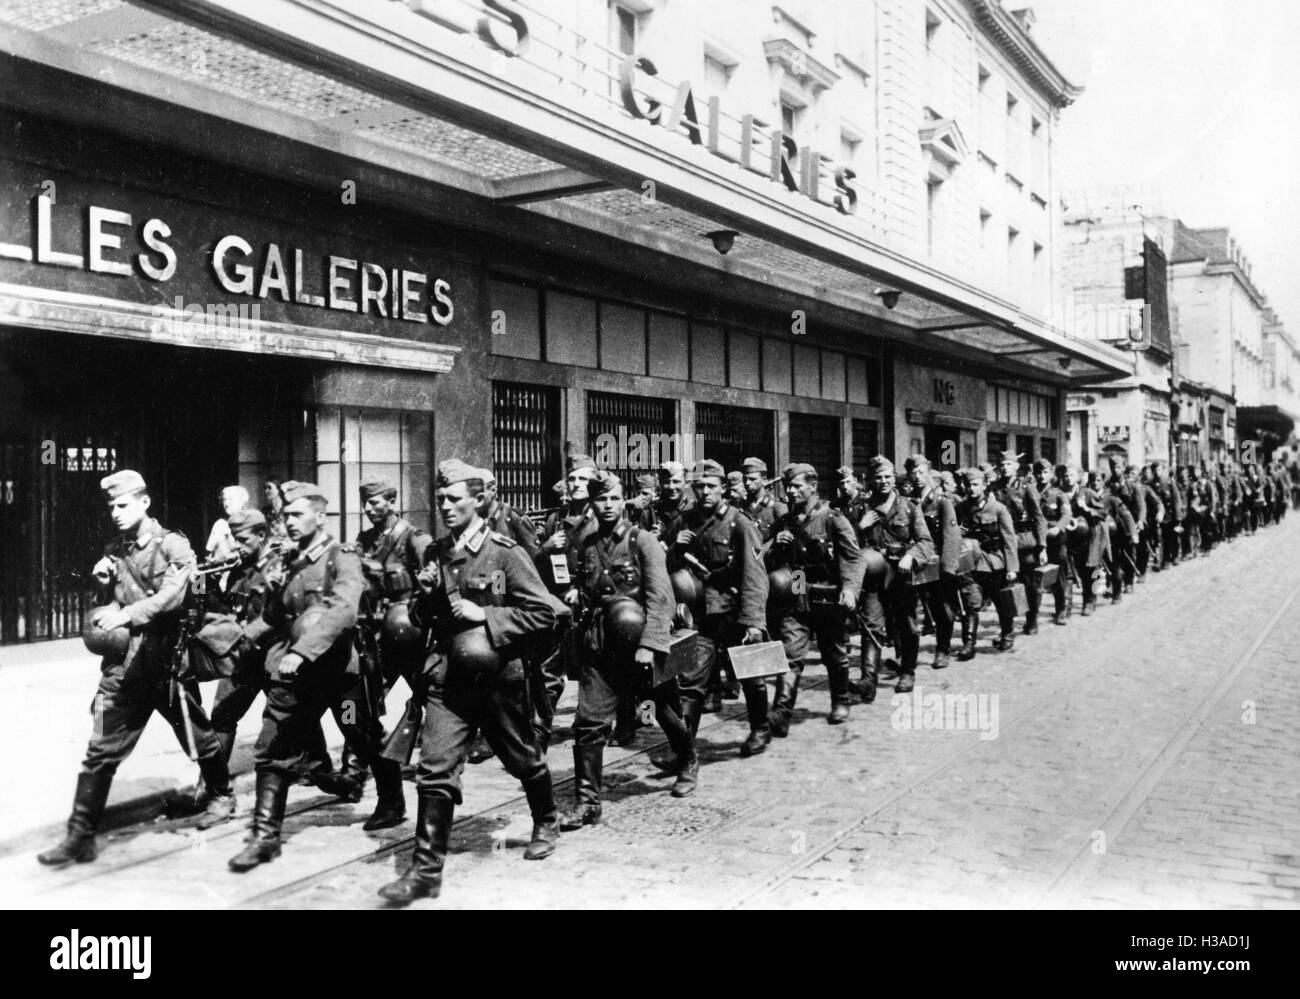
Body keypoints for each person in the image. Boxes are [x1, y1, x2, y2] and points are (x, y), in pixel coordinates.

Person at [377, 460, 559, 904]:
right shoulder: (436, 553)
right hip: (448, 679)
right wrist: (423, 598)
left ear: (479, 500)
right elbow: (426, 619)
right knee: (434, 769)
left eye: (454, 499)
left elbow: (545, 614)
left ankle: (547, 817)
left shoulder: (505, 552)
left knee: (522, 759)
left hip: (497, 678)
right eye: (440, 499)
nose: (444, 506)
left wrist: (489, 616)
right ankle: (425, 871)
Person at [39, 470, 234, 867]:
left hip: (165, 662)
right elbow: (107, 600)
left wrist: (126, 614)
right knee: (99, 748)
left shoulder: (173, 545)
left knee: (197, 735)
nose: (115, 511)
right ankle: (80, 836)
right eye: (111, 505)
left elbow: (172, 596)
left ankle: (220, 795)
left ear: (145, 503)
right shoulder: (115, 549)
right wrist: (100, 584)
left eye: (122, 504)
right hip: (123, 668)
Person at [227, 481, 406, 873]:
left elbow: (343, 611)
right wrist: (244, 638)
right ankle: (264, 837)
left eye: (296, 514)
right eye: (285, 515)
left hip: (337, 673)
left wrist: (301, 651)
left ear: (319, 516)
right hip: (295, 677)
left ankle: (392, 800)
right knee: (273, 748)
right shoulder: (292, 562)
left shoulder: (341, 556)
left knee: (360, 732)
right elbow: (277, 614)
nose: (288, 522)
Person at [560, 471, 696, 828]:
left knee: (662, 709)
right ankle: (587, 801)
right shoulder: (587, 542)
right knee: (588, 721)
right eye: (600, 499)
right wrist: (579, 595)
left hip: (638, 642)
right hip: (600, 643)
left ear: (624, 501)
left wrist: (650, 646)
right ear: (592, 502)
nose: (606, 506)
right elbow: (586, 585)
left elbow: (660, 597)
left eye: (613, 499)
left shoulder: (643, 540)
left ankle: (687, 760)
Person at [324, 475, 433, 799]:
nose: (369, 509)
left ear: (391, 501)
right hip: (377, 637)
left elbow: (433, 580)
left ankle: (440, 759)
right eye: (366, 503)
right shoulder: (366, 538)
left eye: (375, 502)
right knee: (359, 704)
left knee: (433, 701)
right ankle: (353, 772)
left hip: (410, 636)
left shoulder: (414, 539)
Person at [766, 463, 863, 728]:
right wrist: (775, 546)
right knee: (790, 653)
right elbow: (764, 559)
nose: (791, 491)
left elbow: (854, 558)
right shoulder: (784, 522)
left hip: (827, 592)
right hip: (797, 588)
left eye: (797, 486)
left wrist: (850, 589)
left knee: (834, 651)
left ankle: (841, 700)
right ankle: (781, 712)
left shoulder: (832, 518)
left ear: (813, 487)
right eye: (788, 486)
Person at [855, 457, 934, 697]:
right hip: (873, 575)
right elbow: (847, 547)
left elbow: (926, 542)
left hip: (901, 575)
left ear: (894, 477)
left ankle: (908, 672)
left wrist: (911, 556)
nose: (883, 482)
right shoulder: (862, 508)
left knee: (907, 624)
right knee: (871, 626)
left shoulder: (909, 507)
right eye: (878, 477)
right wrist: (860, 528)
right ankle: (868, 680)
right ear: (870, 480)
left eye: (888, 477)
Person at [953, 467, 1018, 657]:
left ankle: (1007, 633)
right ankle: (969, 643)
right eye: (967, 485)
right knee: (970, 602)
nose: (971, 488)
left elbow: (1009, 540)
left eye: (975, 485)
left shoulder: (998, 509)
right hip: (970, 562)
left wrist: (1012, 567)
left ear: (984, 485)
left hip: (994, 562)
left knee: (1000, 601)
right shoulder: (960, 509)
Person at [906, 454, 962, 667]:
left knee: (941, 608)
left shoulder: (941, 502)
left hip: (936, 563)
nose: (917, 477)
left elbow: (951, 535)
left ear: (929, 474)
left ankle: (942, 649)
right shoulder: (908, 502)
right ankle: (907, 655)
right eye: (913, 473)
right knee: (911, 608)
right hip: (915, 561)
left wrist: (949, 568)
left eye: (921, 472)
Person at [991, 451, 1047, 636]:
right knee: (1005, 583)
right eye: (1002, 464)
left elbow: (1039, 518)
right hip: (1003, 542)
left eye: (1008, 464)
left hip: (1024, 541)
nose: (1004, 468)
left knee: (1030, 584)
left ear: (1016, 466)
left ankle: (1032, 618)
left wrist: (1042, 546)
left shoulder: (1027, 487)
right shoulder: (994, 488)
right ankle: (1008, 623)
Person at [1034, 460, 1073, 624]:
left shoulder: (1058, 494)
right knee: (1034, 577)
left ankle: (1061, 609)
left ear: (1051, 474)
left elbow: (1066, 515)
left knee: (1058, 576)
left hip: (1055, 539)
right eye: (1039, 473)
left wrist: (1058, 527)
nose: (1042, 476)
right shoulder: (1031, 493)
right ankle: (1033, 615)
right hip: (1036, 538)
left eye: (1045, 473)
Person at [205, 485, 250, 563]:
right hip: (222, 571)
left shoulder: (250, 522)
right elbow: (210, 554)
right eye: (224, 499)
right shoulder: (220, 525)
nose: (226, 503)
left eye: (230, 499)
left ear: (241, 501)